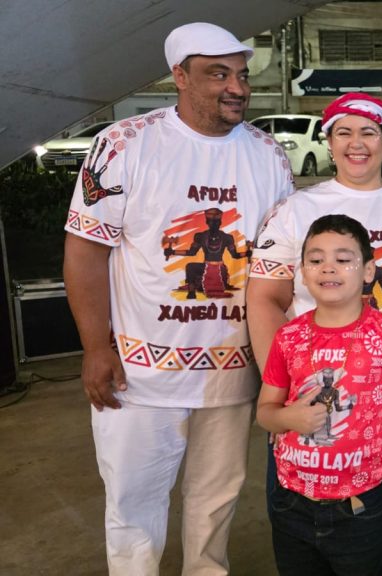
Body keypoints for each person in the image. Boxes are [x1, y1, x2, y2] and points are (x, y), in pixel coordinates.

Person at [63, 22, 294, 575]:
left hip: (234, 372)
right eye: (218, 74)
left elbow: (282, 265)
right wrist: (95, 348)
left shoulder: (268, 154)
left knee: (215, 504)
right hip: (140, 375)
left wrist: (280, 363)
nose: (236, 87)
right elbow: (85, 251)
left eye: (241, 75)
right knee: (133, 505)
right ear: (180, 77)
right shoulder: (124, 144)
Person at [246, 92, 382, 575]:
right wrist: (283, 399)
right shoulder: (295, 209)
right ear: (328, 142)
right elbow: (264, 299)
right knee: (301, 535)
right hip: (311, 411)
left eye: (369, 132)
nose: (356, 143)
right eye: (343, 132)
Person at [256, 214, 382, 575]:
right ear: (302, 272)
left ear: (368, 271)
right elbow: (265, 413)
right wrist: (287, 417)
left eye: (343, 258)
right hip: (292, 502)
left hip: (360, 505)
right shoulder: (288, 337)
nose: (328, 268)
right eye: (316, 259)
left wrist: (380, 422)